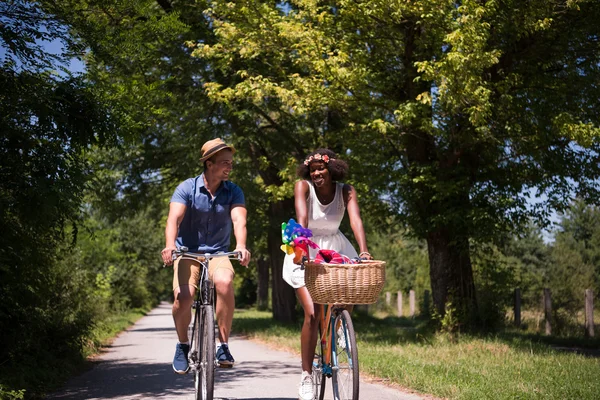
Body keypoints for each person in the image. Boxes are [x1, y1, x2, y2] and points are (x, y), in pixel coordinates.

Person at [282, 148, 373, 400]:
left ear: (331, 169)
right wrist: (302, 250)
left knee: (348, 287)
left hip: (335, 245)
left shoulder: (346, 191)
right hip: (305, 246)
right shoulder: (303, 187)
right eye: (312, 171)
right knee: (311, 313)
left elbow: (355, 220)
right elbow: (301, 219)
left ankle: (340, 328)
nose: (317, 174)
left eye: (321, 169)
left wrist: (364, 251)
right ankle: (306, 375)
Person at [161, 138, 251, 374]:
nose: (229, 167)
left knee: (224, 282)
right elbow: (174, 219)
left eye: (231, 162)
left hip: (219, 252)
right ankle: (182, 344)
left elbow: (239, 219)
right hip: (187, 252)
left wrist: (241, 245)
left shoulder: (233, 191)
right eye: (224, 163)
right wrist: (170, 245)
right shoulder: (186, 188)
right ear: (209, 163)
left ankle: (222, 345)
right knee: (184, 296)